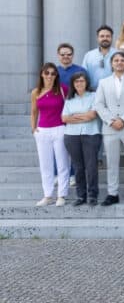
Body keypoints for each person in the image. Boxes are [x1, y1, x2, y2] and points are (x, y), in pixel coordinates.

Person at [94, 51, 124, 206]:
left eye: (122, 60)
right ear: (112, 63)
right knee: (112, 162)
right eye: (116, 60)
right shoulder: (103, 82)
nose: (119, 62)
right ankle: (112, 193)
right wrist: (111, 120)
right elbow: (99, 104)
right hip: (110, 128)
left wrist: (123, 120)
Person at [30, 63, 69, 206]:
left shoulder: (62, 89)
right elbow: (34, 112)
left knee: (62, 163)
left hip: (60, 129)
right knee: (45, 164)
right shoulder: (36, 92)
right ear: (42, 74)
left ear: (56, 76)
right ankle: (48, 195)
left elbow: (70, 108)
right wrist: (33, 129)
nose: (50, 76)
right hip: (42, 131)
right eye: (47, 73)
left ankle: (62, 195)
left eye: (53, 73)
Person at [62, 71, 100, 207]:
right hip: (71, 136)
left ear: (86, 82)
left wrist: (75, 116)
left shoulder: (95, 96)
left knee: (91, 166)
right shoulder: (69, 99)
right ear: (73, 84)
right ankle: (81, 196)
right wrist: (83, 116)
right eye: (76, 81)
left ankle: (92, 196)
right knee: (78, 167)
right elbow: (64, 118)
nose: (79, 83)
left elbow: (92, 116)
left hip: (91, 134)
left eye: (82, 81)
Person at [82, 25, 117, 90]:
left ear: (112, 38)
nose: (105, 38)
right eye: (102, 36)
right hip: (93, 92)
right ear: (97, 38)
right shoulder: (89, 55)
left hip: (113, 91)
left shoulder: (118, 54)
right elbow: (84, 74)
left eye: (108, 36)